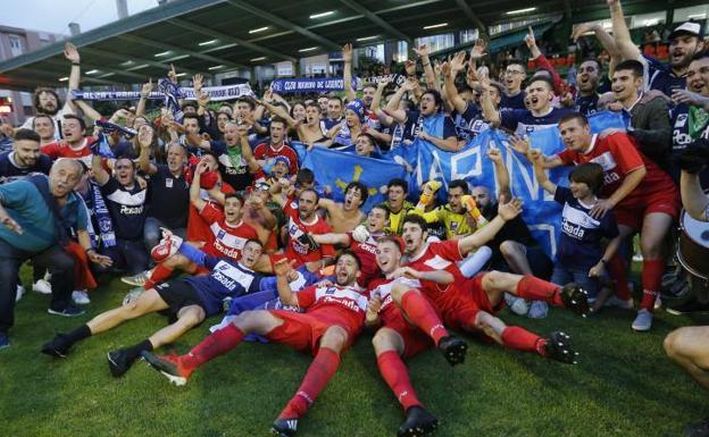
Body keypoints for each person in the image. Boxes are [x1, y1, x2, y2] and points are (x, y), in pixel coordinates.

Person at [142, 252, 369, 436]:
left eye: (348, 264)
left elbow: (373, 322)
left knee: (335, 334)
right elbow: (291, 300)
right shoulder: (322, 288)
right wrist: (281, 277)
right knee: (250, 317)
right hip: (308, 323)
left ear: (358, 272)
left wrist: (374, 315)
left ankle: (293, 413)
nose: (342, 267)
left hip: (336, 330)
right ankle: (185, 365)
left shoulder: (367, 295)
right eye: (339, 263)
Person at [522, 112, 679, 331]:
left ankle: (646, 308)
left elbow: (638, 172)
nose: (567, 135)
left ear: (587, 128)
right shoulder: (575, 154)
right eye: (563, 133)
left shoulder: (612, 138)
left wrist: (610, 202)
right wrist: (531, 154)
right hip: (624, 204)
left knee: (650, 244)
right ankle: (623, 296)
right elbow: (548, 163)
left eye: (572, 130)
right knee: (606, 242)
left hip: (656, 193)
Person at [41, 236, 268, 377]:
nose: (252, 254)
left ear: (259, 259)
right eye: (249, 249)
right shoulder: (223, 262)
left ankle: (128, 354)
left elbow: (275, 286)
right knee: (131, 310)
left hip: (202, 305)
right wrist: (174, 240)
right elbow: (196, 255)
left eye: (257, 252)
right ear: (242, 251)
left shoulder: (255, 281)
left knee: (191, 319)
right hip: (185, 288)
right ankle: (66, 340)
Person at [400, 212, 587, 361]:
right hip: (457, 311)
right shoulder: (406, 270)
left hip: (472, 289)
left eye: (413, 229)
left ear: (424, 234)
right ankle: (543, 346)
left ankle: (561, 295)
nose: (407, 233)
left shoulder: (437, 249)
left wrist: (502, 217)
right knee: (488, 322)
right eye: (405, 230)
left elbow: (475, 240)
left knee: (494, 277)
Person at [368, 236, 467, 436]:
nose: (381, 255)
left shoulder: (412, 269)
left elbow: (449, 279)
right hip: (403, 333)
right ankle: (414, 409)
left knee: (398, 288)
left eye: (386, 250)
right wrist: (372, 317)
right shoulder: (374, 286)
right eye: (377, 252)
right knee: (379, 338)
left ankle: (444, 339)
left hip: (425, 319)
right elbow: (370, 323)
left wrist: (418, 274)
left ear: (399, 254)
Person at [0, 159, 95, 349]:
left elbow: (82, 230)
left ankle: (59, 305)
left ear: (76, 183)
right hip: (8, 242)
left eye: (71, 178)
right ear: (51, 171)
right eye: (61, 173)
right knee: (7, 277)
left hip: (43, 247)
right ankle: (1, 329)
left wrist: (90, 251)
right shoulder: (27, 188)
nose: (63, 181)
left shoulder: (75, 202)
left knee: (67, 263)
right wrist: (3, 216)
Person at [531, 158, 622, 306]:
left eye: (577, 182)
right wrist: (534, 160)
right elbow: (544, 182)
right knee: (555, 299)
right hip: (562, 262)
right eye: (571, 181)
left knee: (586, 304)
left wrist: (601, 264)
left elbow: (615, 238)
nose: (572, 186)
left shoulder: (602, 212)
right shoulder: (568, 197)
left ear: (591, 185)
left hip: (585, 267)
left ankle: (606, 289)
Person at [91, 150, 149, 276]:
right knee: (100, 267)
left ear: (134, 171)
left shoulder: (144, 187)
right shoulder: (111, 186)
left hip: (136, 243)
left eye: (126, 167)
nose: (122, 170)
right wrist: (96, 148)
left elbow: (146, 165)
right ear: (115, 171)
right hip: (114, 243)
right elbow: (96, 169)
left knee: (141, 273)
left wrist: (145, 147)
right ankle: (119, 264)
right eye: (119, 168)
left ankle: (125, 264)